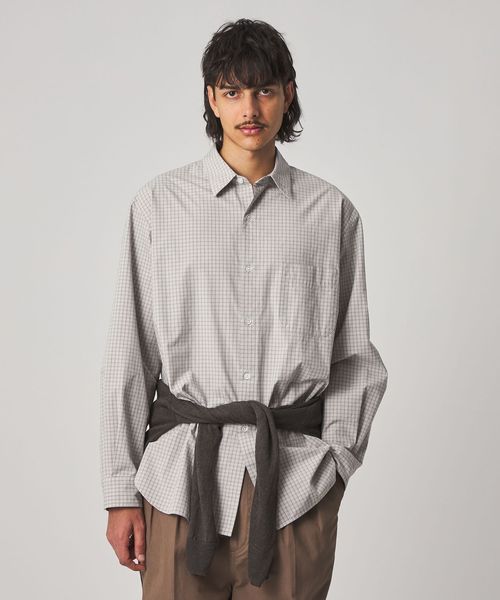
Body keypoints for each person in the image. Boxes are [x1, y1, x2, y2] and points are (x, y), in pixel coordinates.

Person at [100, 17, 388, 600]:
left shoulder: (331, 213)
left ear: (288, 94)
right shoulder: (159, 206)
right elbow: (129, 354)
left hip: (292, 485)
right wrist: (119, 491)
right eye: (232, 91)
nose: (249, 108)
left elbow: (353, 357)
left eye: (264, 90)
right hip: (179, 482)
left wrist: (335, 464)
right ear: (211, 98)